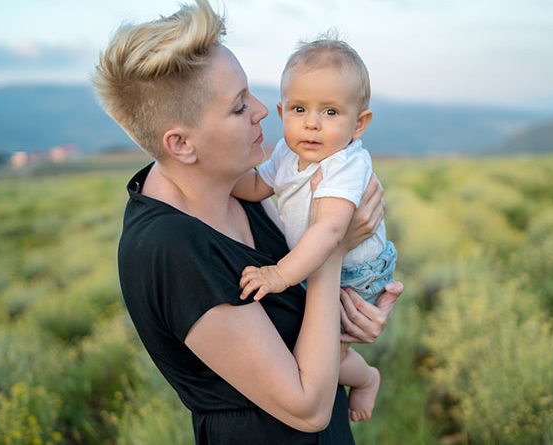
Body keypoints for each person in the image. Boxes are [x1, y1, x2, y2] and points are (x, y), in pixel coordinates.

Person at [92, 1, 403, 443]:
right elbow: (307, 408)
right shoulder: (171, 252)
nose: (262, 110)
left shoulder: (231, 182)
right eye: (239, 107)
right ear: (180, 144)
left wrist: (351, 323)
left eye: (251, 94)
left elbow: (302, 322)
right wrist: (333, 252)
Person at [231, 35, 397, 422]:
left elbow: (329, 233)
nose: (311, 124)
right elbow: (258, 186)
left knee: (327, 355)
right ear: (281, 110)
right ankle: (359, 374)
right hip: (316, 263)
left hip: (356, 275)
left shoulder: (344, 164)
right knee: (311, 346)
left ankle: (368, 378)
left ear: (360, 123)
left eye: (330, 113)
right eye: (300, 108)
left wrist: (279, 275)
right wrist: (218, 178)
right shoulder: (290, 152)